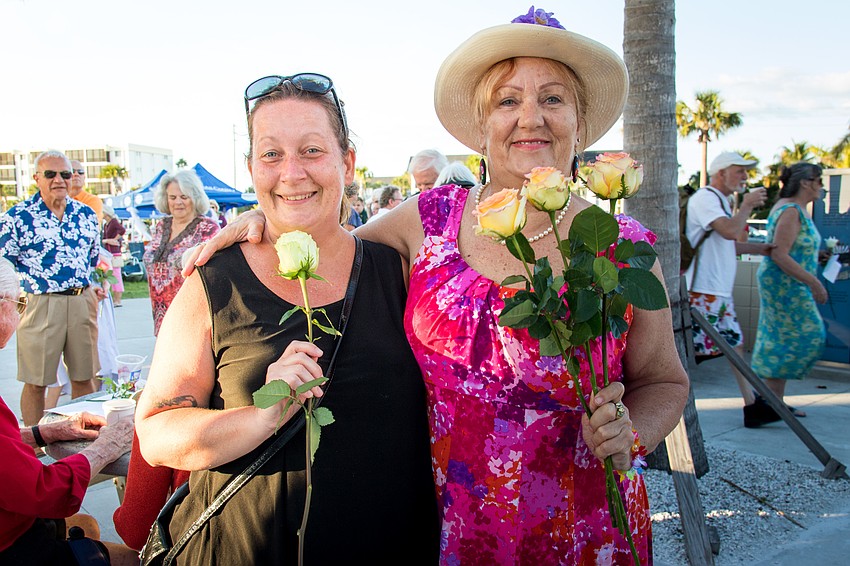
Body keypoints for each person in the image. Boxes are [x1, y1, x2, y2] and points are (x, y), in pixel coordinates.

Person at [187, 8, 690, 563]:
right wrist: (261, 225)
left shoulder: (622, 246)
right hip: (453, 523)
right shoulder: (428, 219)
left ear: (580, 119)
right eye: (507, 101)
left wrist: (631, 433)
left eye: (552, 99)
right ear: (480, 127)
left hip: (589, 526)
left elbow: (665, 382)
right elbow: (333, 242)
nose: (530, 118)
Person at [135, 72, 438, 563]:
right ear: (252, 167)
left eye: (312, 151)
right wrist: (259, 418)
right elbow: (155, 433)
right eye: (271, 154)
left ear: (349, 162)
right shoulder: (215, 281)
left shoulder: (399, 271)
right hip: (247, 548)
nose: (291, 173)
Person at [0, 257, 137, 566]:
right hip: (11, 546)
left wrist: (44, 432)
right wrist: (106, 447)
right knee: (135, 558)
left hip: (16, 524)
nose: (21, 313)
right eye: (18, 303)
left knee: (85, 525)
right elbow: (43, 491)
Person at [0, 150, 106, 426]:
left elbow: (93, 258)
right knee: (36, 380)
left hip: (81, 300)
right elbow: (3, 261)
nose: (59, 179)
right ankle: (33, 444)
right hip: (40, 303)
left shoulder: (86, 214)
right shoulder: (18, 217)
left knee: (85, 377)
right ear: (37, 178)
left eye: (65, 174)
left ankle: (84, 437)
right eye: (51, 174)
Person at [685, 151, 776, 428]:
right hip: (704, 290)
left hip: (714, 290)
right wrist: (746, 205)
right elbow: (729, 231)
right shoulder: (705, 198)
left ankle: (751, 403)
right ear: (721, 172)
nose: (745, 177)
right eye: (740, 171)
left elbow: (727, 242)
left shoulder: (717, 201)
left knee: (732, 345)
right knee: (699, 353)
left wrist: (760, 249)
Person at [751, 162, 828, 417]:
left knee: (781, 339)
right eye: (818, 181)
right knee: (808, 335)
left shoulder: (796, 210)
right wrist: (814, 282)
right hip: (784, 285)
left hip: (790, 282)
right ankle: (766, 400)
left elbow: (795, 248)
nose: (822, 186)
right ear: (806, 182)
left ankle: (773, 401)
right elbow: (780, 254)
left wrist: (819, 256)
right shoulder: (791, 210)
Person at [142, 169, 219, 335]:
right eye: (172, 197)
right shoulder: (161, 226)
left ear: (195, 197)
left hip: (191, 315)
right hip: (160, 314)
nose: (178, 202)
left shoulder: (208, 228)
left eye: (184, 197)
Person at [102, 204, 126, 306]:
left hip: (114, 252)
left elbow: (122, 230)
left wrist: (115, 239)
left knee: (116, 274)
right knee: (110, 274)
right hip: (108, 251)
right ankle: (114, 298)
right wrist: (107, 240)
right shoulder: (106, 224)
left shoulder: (114, 222)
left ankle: (118, 299)